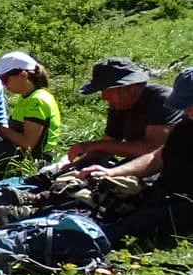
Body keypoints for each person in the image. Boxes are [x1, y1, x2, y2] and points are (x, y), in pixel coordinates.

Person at [74, 67, 193, 246]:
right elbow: (157, 157)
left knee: (132, 225)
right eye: (182, 107)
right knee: (111, 208)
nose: (185, 112)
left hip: (186, 204)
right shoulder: (186, 125)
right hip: (166, 192)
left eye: (189, 106)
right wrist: (111, 173)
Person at [69, 57, 182, 168]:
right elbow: (109, 145)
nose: (103, 96)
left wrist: (94, 145)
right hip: (138, 164)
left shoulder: (162, 100)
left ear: (130, 88)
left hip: (171, 169)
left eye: (106, 90)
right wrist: (77, 165)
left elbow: (151, 149)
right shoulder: (119, 104)